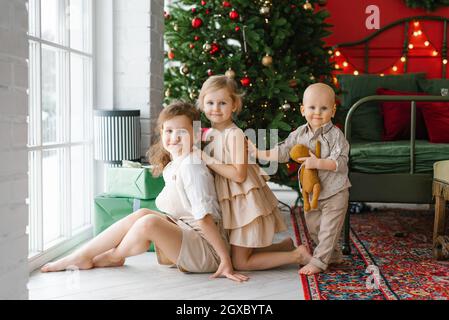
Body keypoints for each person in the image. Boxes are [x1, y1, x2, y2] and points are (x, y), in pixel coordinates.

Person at [41, 101, 248, 283]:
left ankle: (114, 256)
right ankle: (82, 255)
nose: (174, 137)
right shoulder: (177, 163)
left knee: (149, 222)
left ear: (195, 134)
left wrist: (225, 260)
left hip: (207, 250)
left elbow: (205, 218)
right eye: (168, 131)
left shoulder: (191, 167)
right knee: (142, 215)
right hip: (187, 233)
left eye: (182, 132)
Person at [196, 75, 311, 271]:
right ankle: (284, 246)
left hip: (244, 204)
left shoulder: (235, 135)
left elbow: (239, 175)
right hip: (231, 203)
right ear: (202, 104)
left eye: (222, 103)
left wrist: (205, 158)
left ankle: (296, 255)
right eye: (210, 102)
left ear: (234, 105)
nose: (215, 108)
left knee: (240, 262)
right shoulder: (207, 134)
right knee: (236, 253)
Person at [251, 82, 352, 275]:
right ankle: (333, 256)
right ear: (303, 110)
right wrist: (259, 152)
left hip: (335, 191)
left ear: (333, 110)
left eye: (324, 108)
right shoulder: (299, 134)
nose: (317, 112)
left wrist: (319, 163)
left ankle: (319, 262)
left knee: (328, 230)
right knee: (315, 229)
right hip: (311, 193)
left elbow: (341, 162)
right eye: (312, 107)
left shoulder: (336, 136)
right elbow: (283, 151)